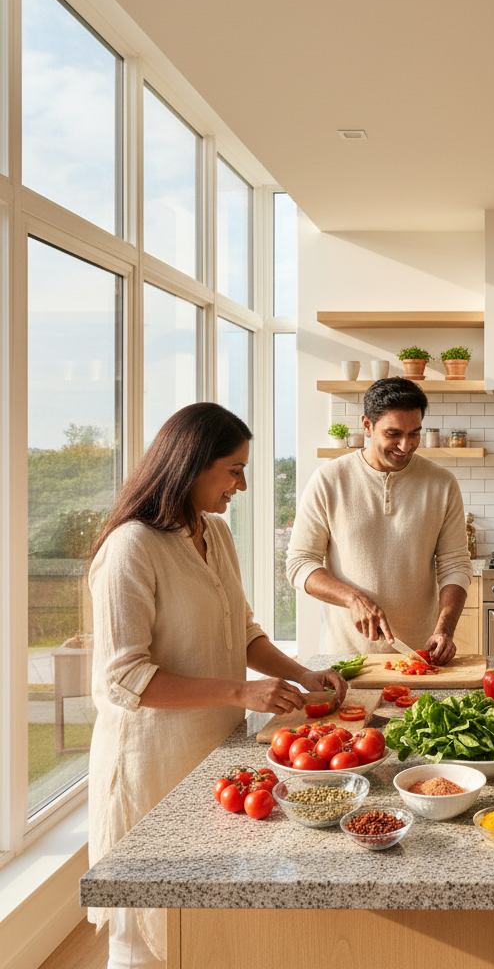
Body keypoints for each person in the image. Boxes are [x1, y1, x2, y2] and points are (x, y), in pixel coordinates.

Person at [88, 403, 347, 969]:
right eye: (234, 470)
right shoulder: (131, 547)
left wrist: (302, 674)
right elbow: (125, 679)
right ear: (191, 465)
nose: (243, 485)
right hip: (151, 763)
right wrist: (240, 693)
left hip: (214, 753)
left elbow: (243, 630)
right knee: (144, 938)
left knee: (204, 928)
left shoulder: (217, 533)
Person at [287, 378, 472, 662]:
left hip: (419, 657)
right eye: (393, 433)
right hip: (346, 659)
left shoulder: (442, 483)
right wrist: (352, 598)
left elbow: (455, 565)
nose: (405, 445)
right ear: (367, 425)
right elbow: (300, 563)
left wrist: (444, 630)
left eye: (414, 434)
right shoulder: (329, 480)